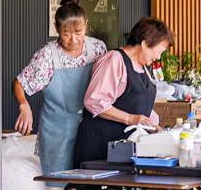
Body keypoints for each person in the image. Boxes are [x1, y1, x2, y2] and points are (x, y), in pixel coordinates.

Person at [9, 0, 107, 190]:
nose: (73, 38)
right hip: (55, 133)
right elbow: (20, 83)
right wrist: (23, 104)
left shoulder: (97, 49)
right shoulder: (47, 55)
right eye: (66, 33)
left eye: (78, 31)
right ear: (57, 29)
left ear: (86, 26)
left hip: (87, 131)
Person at [73, 16, 174, 166]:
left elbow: (141, 106)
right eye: (158, 51)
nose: (158, 57)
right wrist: (131, 119)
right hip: (100, 147)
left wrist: (156, 128)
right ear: (145, 43)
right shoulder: (114, 60)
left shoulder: (144, 68)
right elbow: (94, 101)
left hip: (124, 151)